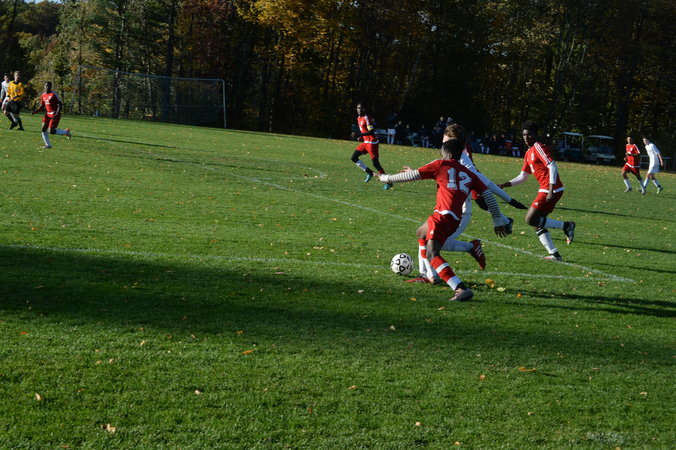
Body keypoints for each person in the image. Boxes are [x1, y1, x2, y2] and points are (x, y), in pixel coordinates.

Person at [377, 138, 508, 301]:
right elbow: (489, 196)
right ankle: (430, 275)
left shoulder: (441, 164)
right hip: (454, 218)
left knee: (432, 253)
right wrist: (497, 221)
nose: (441, 156)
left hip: (442, 215)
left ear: (449, 155)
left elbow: (413, 175)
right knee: (421, 232)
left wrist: (385, 178)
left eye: (442, 154)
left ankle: (459, 288)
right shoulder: (469, 174)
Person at [407, 123, 526, 284]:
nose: (443, 144)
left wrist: (509, 200)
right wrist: (413, 173)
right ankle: (428, 275)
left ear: (455, 143)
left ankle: (467, 253)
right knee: (425, 236)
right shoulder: (451, 157)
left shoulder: (464, 161)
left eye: (446, 140)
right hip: (447, 210)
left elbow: (487, 185)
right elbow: (434, 169)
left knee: (434, 244)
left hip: (459, 212)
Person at [499, 120, 575, 262]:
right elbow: (523, 177)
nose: (526, 137)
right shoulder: (528, 153)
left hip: (551, 189)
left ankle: (566, 226)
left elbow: (552, 165)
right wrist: (505, 184)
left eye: (529, 135)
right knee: (536, 223)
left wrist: (551, 189)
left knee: (530, 219)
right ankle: (555, 254)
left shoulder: (539, 147)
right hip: (546, 189)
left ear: (536, 135)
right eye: (524, 135)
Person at [351, 102, 393, 190]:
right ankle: (369, 173)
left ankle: (388, 182)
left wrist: (359, 135)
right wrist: (361, 137)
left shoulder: (366, 118)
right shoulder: (358, 118)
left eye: (361, 108)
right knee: (354, 157)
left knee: (375, 163)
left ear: (364, 109)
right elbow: (364, 131)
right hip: (365, 142)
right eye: (358, 108)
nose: (359, 110)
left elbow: (371, 131)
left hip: (372, 143)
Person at [32, 81, 72, 148]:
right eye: (46, 86)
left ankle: (66, 132)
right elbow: (42, 106)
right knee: (43, 129)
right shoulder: (43, 95)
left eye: (49, 86)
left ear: (51, 87)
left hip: (54, 114)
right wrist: (36, 111)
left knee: (51, 131)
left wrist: (57, 114)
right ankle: (48, 145)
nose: (48, 87)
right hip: (47, 115)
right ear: (44, 86)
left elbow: (60, 104)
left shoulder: (53, 94)